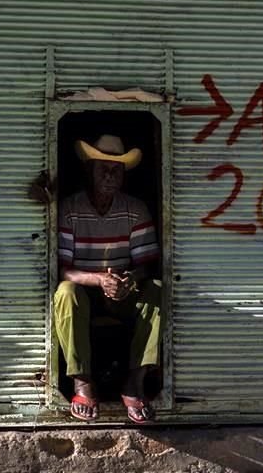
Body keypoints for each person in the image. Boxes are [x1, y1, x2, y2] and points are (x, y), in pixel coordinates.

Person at [53, 134, 163, 423]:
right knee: (65, 291)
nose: (111, 176)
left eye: (117, 170)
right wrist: (100, 279)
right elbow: (63, 268)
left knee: (156, 289)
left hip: (123, 293)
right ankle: (83, 383)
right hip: (86, 292)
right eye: (104, 168)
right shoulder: (69, 209)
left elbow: (147, 264)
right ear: (89, 170)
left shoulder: (135, 209)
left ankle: (135, 382)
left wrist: (128, 281)